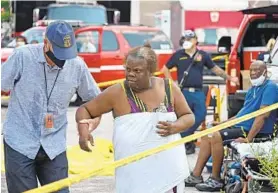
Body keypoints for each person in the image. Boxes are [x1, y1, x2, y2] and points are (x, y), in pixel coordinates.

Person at [75, 43, 195, 193]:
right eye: (128, 69)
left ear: (151, 71)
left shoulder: (168, 87)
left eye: (137, 71)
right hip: (133, 176)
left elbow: (188, 116)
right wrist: (83, 131)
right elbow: (85, 109)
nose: (130, 74)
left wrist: (175, 127)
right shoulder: (118, 92)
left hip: (168, 171)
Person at [1, 21, 101, 193]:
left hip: (54, 145)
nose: (61, 62)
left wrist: (90, 124)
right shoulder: (23, 57)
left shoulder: (76, 65)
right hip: (19, 142)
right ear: (46, 43)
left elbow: (95, 101)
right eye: (58, 54)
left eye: (66, 55)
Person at [184, 60, 278, 192]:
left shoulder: (270, 88)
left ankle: (216, 180)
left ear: (265, 72)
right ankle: (196, 175)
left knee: (215, 135)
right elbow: (241, 115)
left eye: (257, 70)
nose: (253, 73)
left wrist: (249, 139)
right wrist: (222, 123)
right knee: (208, 133)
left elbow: (262, 116)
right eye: (251, 70)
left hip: (252, 131)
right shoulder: (252, 89)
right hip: (242, 126)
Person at [161, 30, 239, 155]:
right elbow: (165, 69)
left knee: (200, 115)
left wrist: (230, 78)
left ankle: (183, 137)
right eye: (185, 39)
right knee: (183, 117)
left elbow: (215, 69)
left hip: (197, 92)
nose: (187, 41)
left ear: (195, 40)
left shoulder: (203, 55)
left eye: (189, 39)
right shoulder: (179, 54)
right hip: (183, 92)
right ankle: (188, 143)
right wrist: (172, 84)